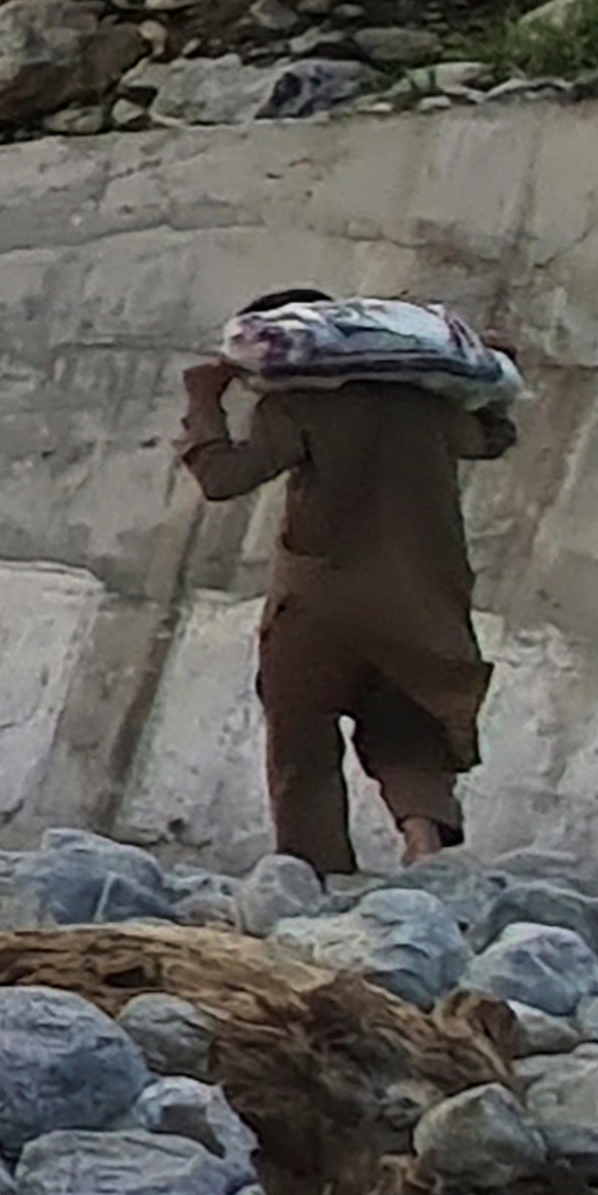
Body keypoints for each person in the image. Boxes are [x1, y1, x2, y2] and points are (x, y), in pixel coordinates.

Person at [182, 289, 515, 874]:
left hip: (316, 604)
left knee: (301, 739)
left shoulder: (297, 408)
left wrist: (204, 402)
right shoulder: (429, 407)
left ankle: (318, 875)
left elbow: (223, 478)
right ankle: (423, 843)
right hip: (422, 601)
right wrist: (494, 386)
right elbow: (490, 440)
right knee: (408, 725)